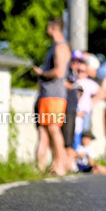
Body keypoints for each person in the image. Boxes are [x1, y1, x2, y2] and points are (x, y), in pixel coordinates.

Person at [33, 16, 71, 175]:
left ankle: (61, 165)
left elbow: (59, 71)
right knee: (43, 130)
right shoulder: (55, 46)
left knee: (53, 129)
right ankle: (40, 167)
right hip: (46, 94)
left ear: (54, 28)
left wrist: (41, 73)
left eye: (48, 26)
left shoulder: (60, 47)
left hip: (54, 95)